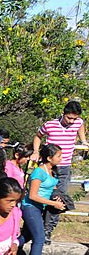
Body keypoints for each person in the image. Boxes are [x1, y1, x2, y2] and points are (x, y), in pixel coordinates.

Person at [32, 100, 87, 240]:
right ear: (63, 113)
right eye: (69, 118)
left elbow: (81, 126)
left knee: (59, 198)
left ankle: (48, 230)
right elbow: (38, 136)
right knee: (42, 196)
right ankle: (34, 228)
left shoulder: (78, 123)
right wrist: (36, 151)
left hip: (65, 167)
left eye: (74, 119)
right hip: (48, 166)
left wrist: (83, 140)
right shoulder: (50, 125)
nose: (71, 121)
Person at [17, 143, 65, 255]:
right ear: (49, 158)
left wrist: (57, 198)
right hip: (30, 207)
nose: (61, 158)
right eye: (58, 156)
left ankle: (5, 250)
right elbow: (32, 195)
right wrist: (53, 203)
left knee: (26, 236)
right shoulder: (38, 172)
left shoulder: (53, 170)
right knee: (39, 237)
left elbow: (51, 189)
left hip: (40, 208)